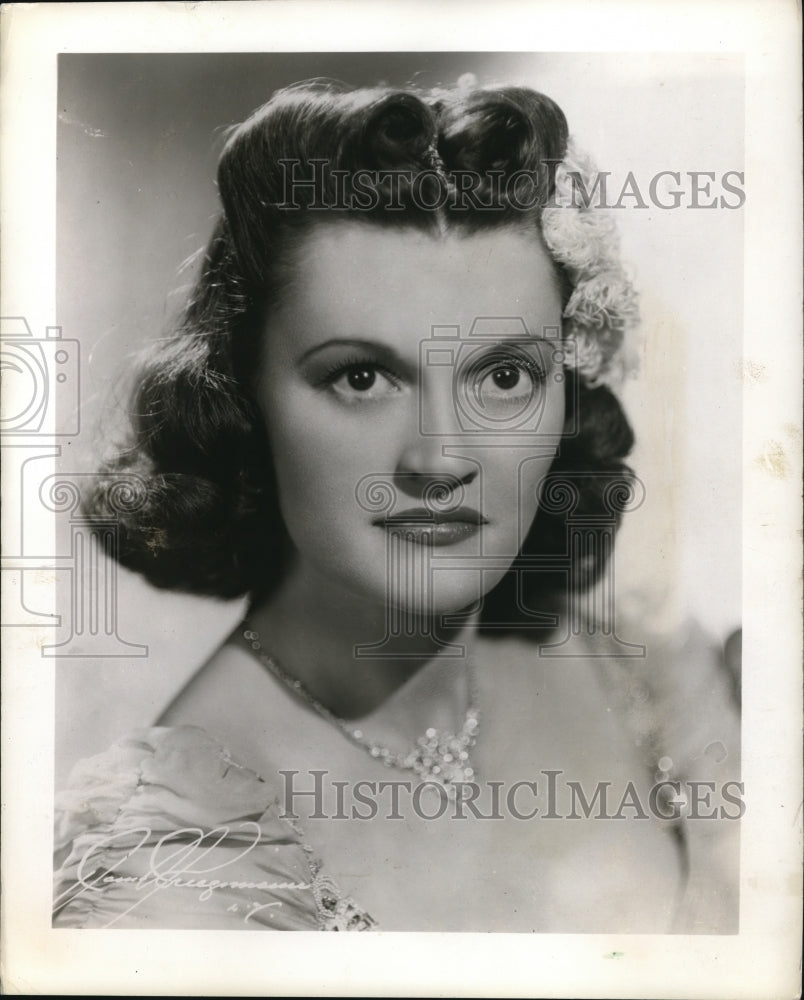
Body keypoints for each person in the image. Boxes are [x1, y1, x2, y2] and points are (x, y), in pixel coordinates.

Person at [52, 79, 740, 933]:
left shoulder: (637, 666)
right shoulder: (174, 873)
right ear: (242, 397)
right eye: (363, 377)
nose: (441, 458)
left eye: (504, 376)